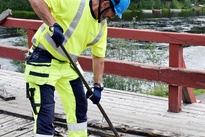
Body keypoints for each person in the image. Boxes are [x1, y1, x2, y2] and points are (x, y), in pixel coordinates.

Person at [25, 0, 130, 136]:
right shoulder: (74, 2)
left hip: (69, 64)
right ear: (105, 3)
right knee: (45, 114)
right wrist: (52, 24)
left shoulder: (101, 26)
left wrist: (97, 85)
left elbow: (98, 57)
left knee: (79, 108)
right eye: (114, 12)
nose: (112, 17)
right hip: (43, 59)